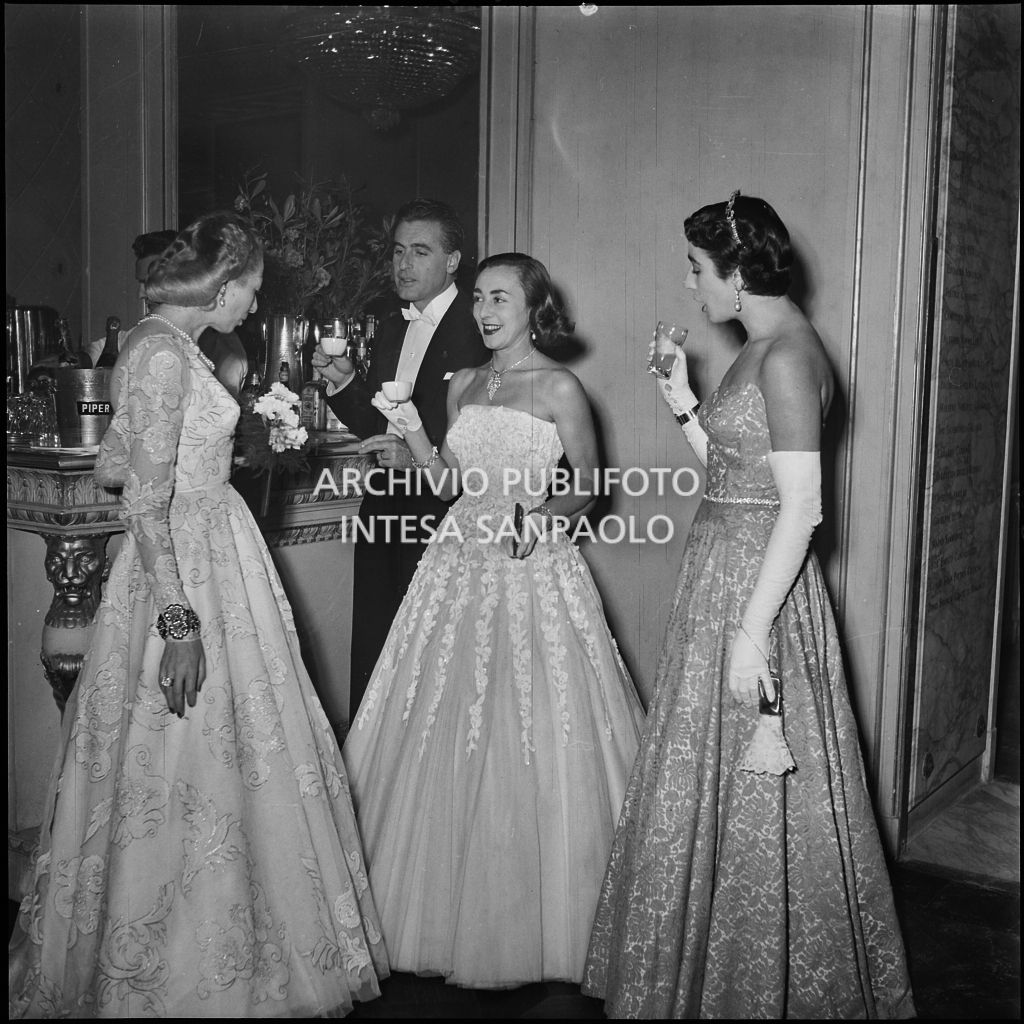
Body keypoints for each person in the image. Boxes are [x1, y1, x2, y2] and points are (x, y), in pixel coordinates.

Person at [9, 211, 388, 1018]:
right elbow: (143, 505)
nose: (254, 304)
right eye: (252, 290)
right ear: (222, 285)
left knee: (220, 757)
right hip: (185, 570)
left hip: (211, 545)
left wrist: (219, 454)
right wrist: (179, 625)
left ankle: (227, 942)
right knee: (186, 749)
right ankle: (179, 963)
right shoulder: (161, 353)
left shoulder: (164, 345)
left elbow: (114, 466)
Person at [581, 193, 915, 1018]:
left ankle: (753, 987)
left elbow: (802, 509)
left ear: (736, 273)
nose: (690, 284)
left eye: (697, 268)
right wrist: (679, 397)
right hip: (720, 575)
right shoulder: (759, 346)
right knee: (707, 772)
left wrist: (752, 631)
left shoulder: (789, 356)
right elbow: (733, 471)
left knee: (757, 786)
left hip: (757, 590)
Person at [341, 252, 645, 987]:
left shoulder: (560, 386)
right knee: (442, 713)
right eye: (479, 297)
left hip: (529, 561)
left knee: (527, 720)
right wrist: (410, 438)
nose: (484, 311)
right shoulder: (463, 383)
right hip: (456, 561)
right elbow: (448, 485)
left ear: (534, 307)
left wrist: (541, 516)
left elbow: (591, 485)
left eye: (500, 298)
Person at [311, 199, 487, 716]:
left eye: (420, 251)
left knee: (435, 663)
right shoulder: (392, 324)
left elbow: (491, 434)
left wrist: (415, 460)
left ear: (452, 261)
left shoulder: (480, 325)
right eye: (397, 251)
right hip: (384, 505)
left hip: (445, 515)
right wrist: (344, 383)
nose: (403, 264)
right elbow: (379, 430)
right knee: (378, 646)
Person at [86, 230, 249, 397]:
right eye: (140, 282)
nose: (141, 294)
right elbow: (98, 351)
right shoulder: (148, 331)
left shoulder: (224, 351)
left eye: (149, 282)